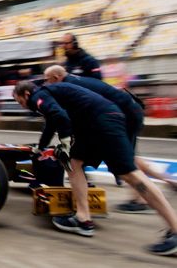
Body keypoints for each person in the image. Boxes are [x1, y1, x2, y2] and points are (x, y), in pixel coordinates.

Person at [13, 80, 177, 256]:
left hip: (103, 121)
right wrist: (41, 147)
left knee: (130, 175)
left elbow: (59, 117)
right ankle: (83, 219)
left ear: (27, 95)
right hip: (93, 123)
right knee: (73, 163)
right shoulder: (50, 93)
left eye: (20, 102)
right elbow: (52, 123)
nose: (22, 107)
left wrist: (65, 141)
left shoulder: (39, 96)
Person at [45, 65, 177, 207]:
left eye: (48, 80)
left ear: (56, 77)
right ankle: (168, 182)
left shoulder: (67, 86)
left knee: (127, 160)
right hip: (128, 110)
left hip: (125, 114)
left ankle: (140, 199)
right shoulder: (76, 80)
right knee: (130, 156)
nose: (46, 84)